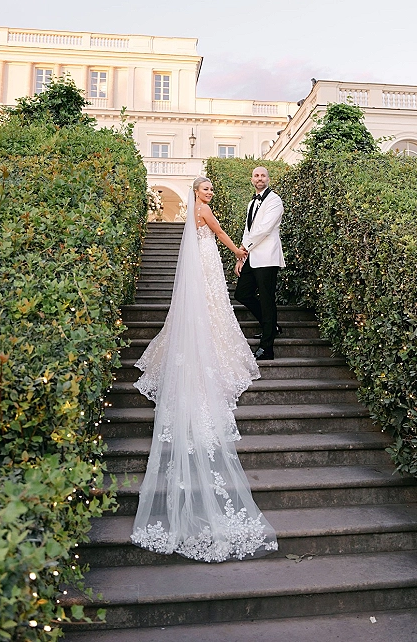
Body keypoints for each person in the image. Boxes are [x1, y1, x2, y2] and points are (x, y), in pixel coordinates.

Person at [131, 176, 278, 562]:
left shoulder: (194, 211)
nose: (210, 192)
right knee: (215, 310)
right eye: (207, 187)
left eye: (212, 188)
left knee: (212, 309)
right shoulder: (205, 211)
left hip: (203, 265)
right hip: (210, 263)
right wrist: (239, 254)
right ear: (197, 191)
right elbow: (223, 235)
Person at [234, 167, 285, 361]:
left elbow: (264, 230)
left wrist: (243, 246)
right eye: (256, 175)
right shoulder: (251, 203)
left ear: (268, 179)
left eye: (263, 175)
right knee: (242, 293)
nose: (259, 178)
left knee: (266, 298)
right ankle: (271, 326)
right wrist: (241, 256)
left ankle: (267, 348)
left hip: (267, 257)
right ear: (252, 180)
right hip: (251, 256)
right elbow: (248, 230)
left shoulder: (274, 200)